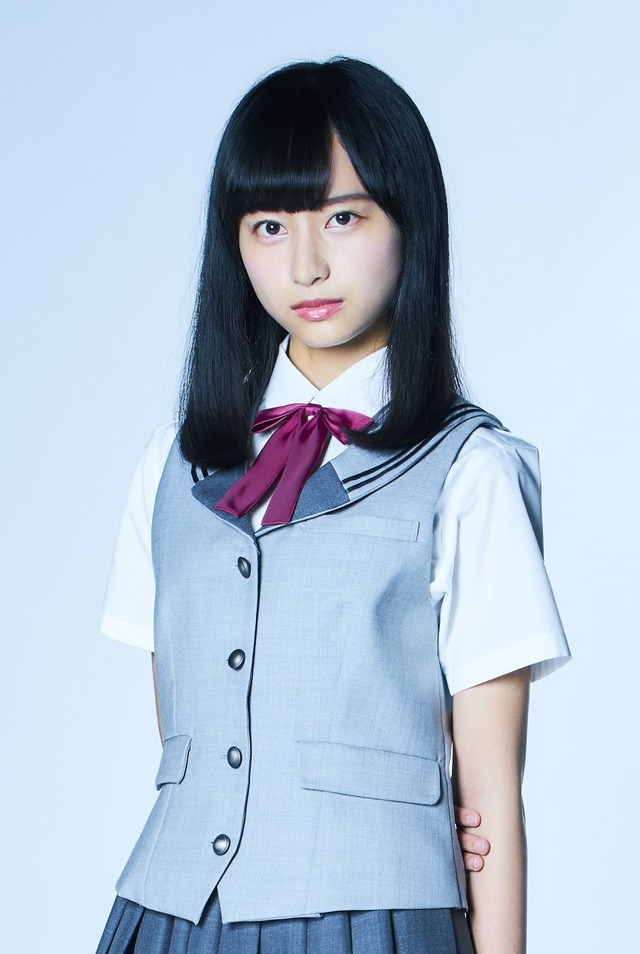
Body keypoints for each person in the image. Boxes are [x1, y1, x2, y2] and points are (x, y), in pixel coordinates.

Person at [96, 58, 570, 954]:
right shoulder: (171, 465)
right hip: (171, 920)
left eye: (343, 217)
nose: (305, 264)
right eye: (270, 226)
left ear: (409, 220)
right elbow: (191, 745)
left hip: (372, 919)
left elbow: (491, 800)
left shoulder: (471, 471)